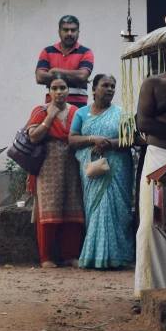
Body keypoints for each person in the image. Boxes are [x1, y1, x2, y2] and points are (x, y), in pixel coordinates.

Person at [69, 74, 134, 269]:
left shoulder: (122, 113)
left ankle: (119, 257)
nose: (110, 89)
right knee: (96, 209)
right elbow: (72, 139)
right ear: (94, 89)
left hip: (117, 169)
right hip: (92, 170)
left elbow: (130, 139)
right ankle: (93, 256)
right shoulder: (81, 113)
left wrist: (108, 143)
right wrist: (93, 140)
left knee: (118, 211)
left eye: (113, 86)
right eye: (105, 85)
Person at [28, 74, 84, 268]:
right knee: (48, 212)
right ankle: (46, 257)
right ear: (49, 91)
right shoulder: (41, 111)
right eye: (55, 88)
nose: (59, 92)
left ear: (69, 90)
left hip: (72, 167)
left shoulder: (77, 112)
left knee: (73, 210)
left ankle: (70, 255)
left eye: (63, 88)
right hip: (48, 169)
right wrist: (50, 116)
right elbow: (34, 137)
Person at [135, 68, 166, 294]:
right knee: (152, 222)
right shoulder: (154, 83)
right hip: (159, 158)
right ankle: (150, 291)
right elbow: (144, 123)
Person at [35, 15, 94, 107]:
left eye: (73, 30)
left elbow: (82, 76)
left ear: (78, 32)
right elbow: (40, 77)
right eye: (65, 30)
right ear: (59, 32)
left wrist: (54, 71)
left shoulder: (86, 52)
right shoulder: (47, 51)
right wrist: (74, 77)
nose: (69, 33)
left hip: (78, 107)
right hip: (52, 106)